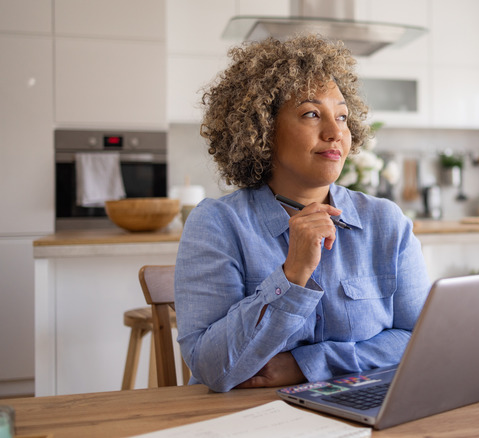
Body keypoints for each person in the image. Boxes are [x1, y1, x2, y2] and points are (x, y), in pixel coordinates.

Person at [174, 34, 431, 393]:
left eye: (341, 117)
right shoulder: (217, 226)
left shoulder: (386, 222)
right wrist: (291, 275)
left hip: (367, 410)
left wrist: (308, 365)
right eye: (311, 114)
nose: (334, 133)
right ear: (262, 129)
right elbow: (213, 369)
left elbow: (423, 342)